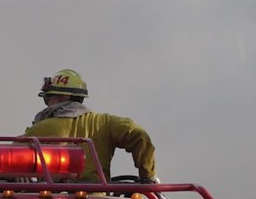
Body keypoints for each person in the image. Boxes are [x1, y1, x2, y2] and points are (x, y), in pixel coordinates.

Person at [23, 69, 156, 183]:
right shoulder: (105, 123)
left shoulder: (39, 129)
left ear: (61, 98)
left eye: (48, 98)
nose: (47, 104)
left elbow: (6, 165)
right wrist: (147, 177)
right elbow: (139, 135)